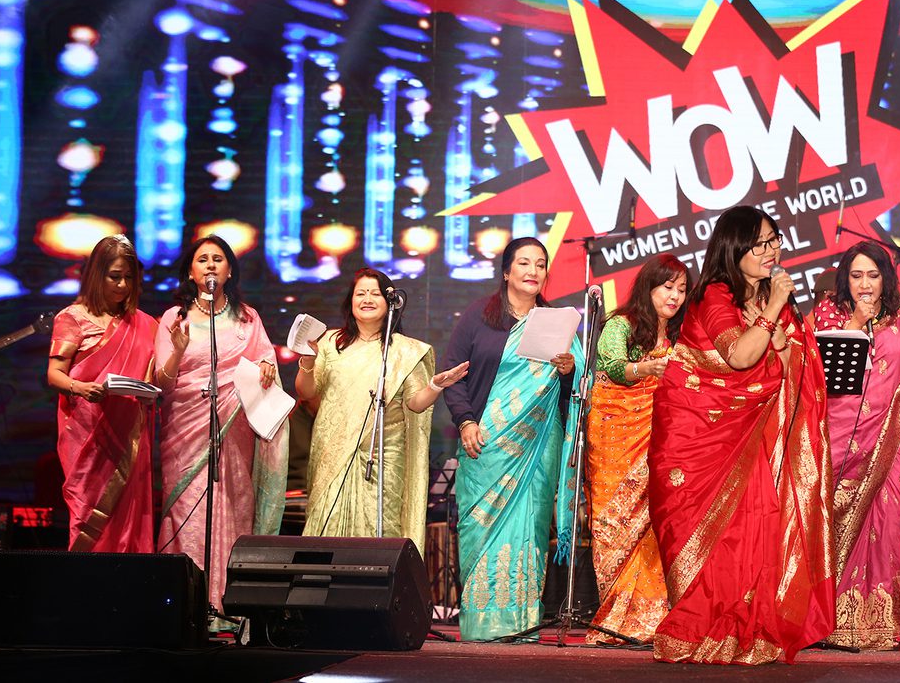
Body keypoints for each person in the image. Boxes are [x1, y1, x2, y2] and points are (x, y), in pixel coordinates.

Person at [647, 206, 833, 664]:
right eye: (761, 243)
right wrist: (771, 313)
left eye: (775, 241)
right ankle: (703, 630)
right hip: (699, 437)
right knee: (718, 540)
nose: (772, 252)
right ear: (735, 248)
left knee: (759, 525)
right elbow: (739, 358)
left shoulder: (769, 297)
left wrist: (778, 333)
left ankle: (749, 631)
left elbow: (786, 364)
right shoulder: (714, 294)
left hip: (755, 440)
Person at [441, 237, 582, 641]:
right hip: (485, 446)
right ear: (506, 271)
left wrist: (570, 368)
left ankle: (522, 626)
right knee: (480, 533)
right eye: (523, 262)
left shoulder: (557, 323)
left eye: (540, 264)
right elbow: (453, 374)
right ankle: (484, 626)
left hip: (536, 451)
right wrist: (466, 421)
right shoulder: (478, 318)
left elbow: (578, 388)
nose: (533, 271)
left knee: (530, 532)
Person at [810, 241, 900, 650]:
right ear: (844, 279)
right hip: (835, 441)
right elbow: (811, 376)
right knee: (823, 527)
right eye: (856, 276)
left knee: (884, 530)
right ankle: (822, 621)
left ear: (886, 278)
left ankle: (873, 627)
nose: (864, 285)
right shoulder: (825, 314)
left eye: (872, 276)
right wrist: (855, 320)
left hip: (887, 448)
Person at [154, 236, 285, 613]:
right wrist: (178, 349)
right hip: (185, 430)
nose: (211, 265)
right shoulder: (173, 318)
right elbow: (162, 384)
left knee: (232, 505)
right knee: (187, 507)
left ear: (229, 271)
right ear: (191, 272)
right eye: (202, 259)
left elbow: (266, 362)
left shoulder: (248, 317)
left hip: (234, 427)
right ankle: (184, 603)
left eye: (218, 259)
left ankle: (225, 603)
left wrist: (266, 367)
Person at [295, 268, 467, 551]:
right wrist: (308, 361)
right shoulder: (329, 343)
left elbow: (414, 404)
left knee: (381, 534)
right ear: (350, 301)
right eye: (360, 293)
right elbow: (307, 391)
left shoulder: (404, 351)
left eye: (375, 293)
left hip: (384, 456)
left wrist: (437, 386)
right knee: (326, 531)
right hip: (333, 454)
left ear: (390, 303)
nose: (367, 298)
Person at [584, 253, 690, 645]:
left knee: (657, 523)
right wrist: (646, 369)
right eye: (668, 287)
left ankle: (652, 616)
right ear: (648, 286)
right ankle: (615, 618)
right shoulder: (621, 323)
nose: (675, 296)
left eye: (682, 290)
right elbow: (609, 365)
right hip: (617, 436)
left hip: (665, 439)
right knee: (618, 524)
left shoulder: (682, 334)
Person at [46, 235, 158, 553]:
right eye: (114, 277)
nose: (122, 285)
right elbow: (54, 374)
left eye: (129, 278)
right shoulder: (72, 319)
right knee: (86, 513)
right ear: (97, 275)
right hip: (87, 436)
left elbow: (152, 376)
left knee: (129, 514)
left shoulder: (146, 325)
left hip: (129, 437)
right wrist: (80, 388)